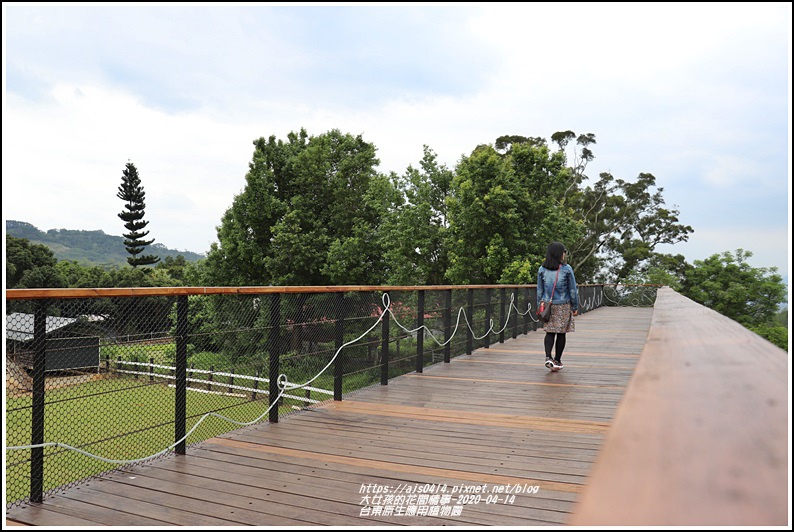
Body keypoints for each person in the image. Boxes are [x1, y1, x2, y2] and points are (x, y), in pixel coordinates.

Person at [537, 242, 579, 370]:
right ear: (559, 254)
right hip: (563, 305)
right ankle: (557, 360)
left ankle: (548, 357)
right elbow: (572, 289)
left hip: (547, 306)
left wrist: (539, 305)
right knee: (561, 333)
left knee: (549, 331)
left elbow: (539, 290)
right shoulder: (566, 269)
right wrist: (575, 306)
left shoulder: (542, 269)